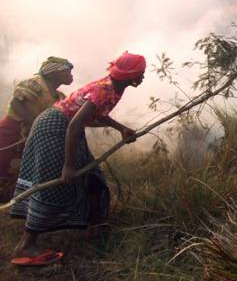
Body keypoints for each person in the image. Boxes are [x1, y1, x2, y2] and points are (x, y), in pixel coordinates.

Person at [9, 52, 145, 266]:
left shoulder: (114, 87)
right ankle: (26, 245)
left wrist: (121, 128)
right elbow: (73, 125)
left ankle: (94, 227)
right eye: (140, 73)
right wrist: (68, 165)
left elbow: (96, 114)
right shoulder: (105, 89)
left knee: (93, 177)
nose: (143, 77)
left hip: (67, 129)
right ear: (131, 75)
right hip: (56, 128)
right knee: (53, 184)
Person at [0, 57, 74, 202]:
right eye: (67, 71)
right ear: (53, 72)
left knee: (18, 175)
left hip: (31, 138)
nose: (71, 76)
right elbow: (17, 104)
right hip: (11, 133)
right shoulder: (34, 84)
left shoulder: (60, 97)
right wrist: (37, 125)